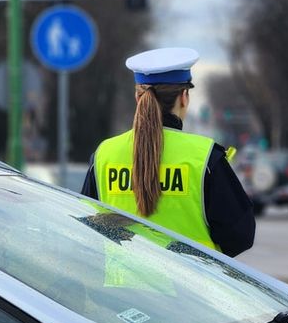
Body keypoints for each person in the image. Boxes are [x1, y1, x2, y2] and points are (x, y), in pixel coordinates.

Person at [81, 47, 255, 257]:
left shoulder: (104, 154)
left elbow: (87, 226)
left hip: (120, 288)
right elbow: (240, 235)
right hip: (190, 286)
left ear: (138, 98)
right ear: (184, 97)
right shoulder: (204, 156)